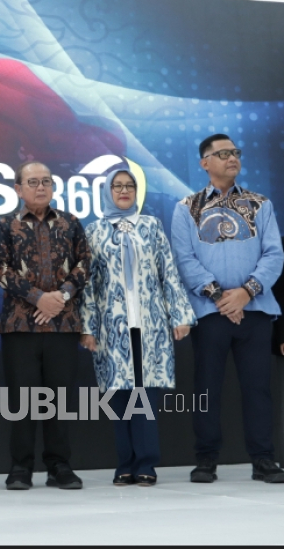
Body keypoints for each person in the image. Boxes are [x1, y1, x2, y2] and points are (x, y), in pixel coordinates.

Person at [172, 133, 284, 483]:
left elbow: (274, 254)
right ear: (205, 162)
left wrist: (246, 293)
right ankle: (206, 460)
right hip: (210, 313)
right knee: (206, 388)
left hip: (256, 311)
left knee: (258, 389)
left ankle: (263, 459)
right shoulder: (186, 207)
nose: (232, 158)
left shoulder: (260, 204)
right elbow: (184, 260)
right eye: (222, 154)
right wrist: (223, 297)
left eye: (235, 152)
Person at [80, 169, 196, 486]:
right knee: (119, 399)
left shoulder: (151, 226)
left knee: (144, 397)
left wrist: (180, 314)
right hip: (111, 327)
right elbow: (87, 284)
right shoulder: (94, 232)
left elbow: (168, 272)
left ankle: (146, 463)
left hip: (149, 325)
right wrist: (87, 326)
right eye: (117, 186)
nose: (124, 191)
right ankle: (125, 464)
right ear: (107, 192)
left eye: (129, 185)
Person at [0, 161, 91, 490]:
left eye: (46, 181)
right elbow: (2, 270)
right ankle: (20, 467)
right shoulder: (5, 225)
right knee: (23, 400)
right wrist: (38, 298)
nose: (40, 187)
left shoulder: (71, 223)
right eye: (32, 182)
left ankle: (59, 466)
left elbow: (84, 264)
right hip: (21, 326)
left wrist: (59, 297)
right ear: (18, 189)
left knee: (59, 399)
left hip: (63, 325)